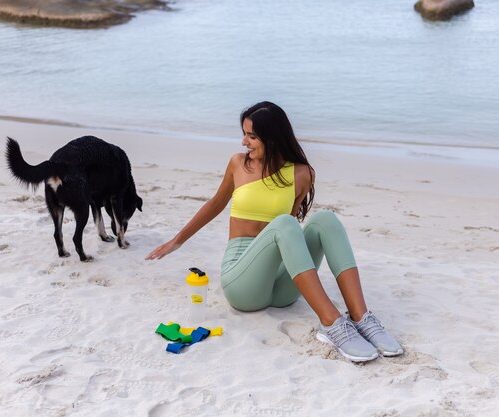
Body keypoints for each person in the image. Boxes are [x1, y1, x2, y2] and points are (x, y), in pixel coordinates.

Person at [146, 101, 403, 362]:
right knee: (284, 223)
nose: (244, 142)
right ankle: (331, 323)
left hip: (282, 288)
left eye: (252, 136)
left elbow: (290, 232)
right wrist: (176, 241)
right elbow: (215, 204)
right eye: (244, 133)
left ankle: (361, 317)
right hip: (243, 282)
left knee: (326, 219)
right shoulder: (238, 164)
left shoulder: (303, 174)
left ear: (273, 138)